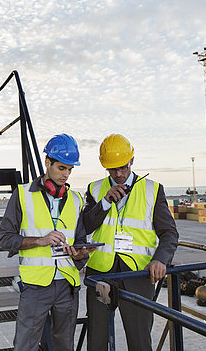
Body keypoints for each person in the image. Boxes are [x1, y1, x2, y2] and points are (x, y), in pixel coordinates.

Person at [83, 134, 179, 351]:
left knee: (139, 342)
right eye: (112, 169)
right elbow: (85, 226)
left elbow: (170, 234)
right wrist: (105, 203)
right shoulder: (95, 189)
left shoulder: (152, 190)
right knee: (96, 341)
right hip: (100, 273)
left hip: (138, 274)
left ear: (132, 160)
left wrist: (160, 260)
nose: (118, 174)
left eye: (123, 168)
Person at [0, 133, 94, 351]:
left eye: (70, 170)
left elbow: (80, 242)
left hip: (68, 287)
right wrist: (40, 240)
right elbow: (5, 239)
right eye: (62, 168)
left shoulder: (77, 199)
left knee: (64, 346)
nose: (66, 175)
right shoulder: (22, 195)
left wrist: (80, 255)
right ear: (47, 162)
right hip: (35, 287)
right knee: (25, 346)